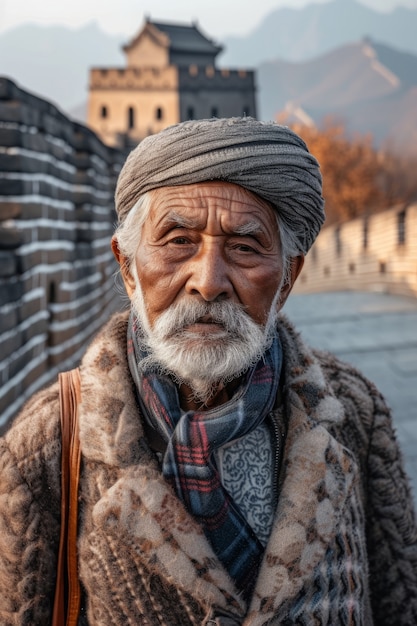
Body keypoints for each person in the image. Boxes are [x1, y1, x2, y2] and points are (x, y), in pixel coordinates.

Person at [0, 117, 416, 626]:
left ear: (288, 279)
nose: (209, 281)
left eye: (244, 247)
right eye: (177, 240)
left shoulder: (354, 411)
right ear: (128, 268)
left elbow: (401, 599)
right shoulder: (47, 443)